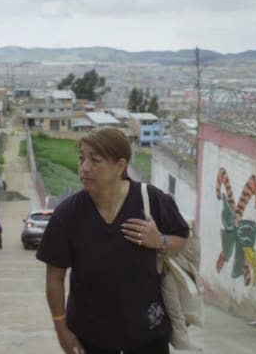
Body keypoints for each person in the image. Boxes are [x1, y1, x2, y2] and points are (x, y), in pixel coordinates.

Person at [36, 127, 190, 354]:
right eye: (82, 158)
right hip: (90, 337)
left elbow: (182, 239)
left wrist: (160, 241)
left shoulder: (152, 201)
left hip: (148, 336)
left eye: (95, 160)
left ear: (120, 166)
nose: (84, 167)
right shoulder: (68, 214)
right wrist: (62, 329)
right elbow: (55, 277)